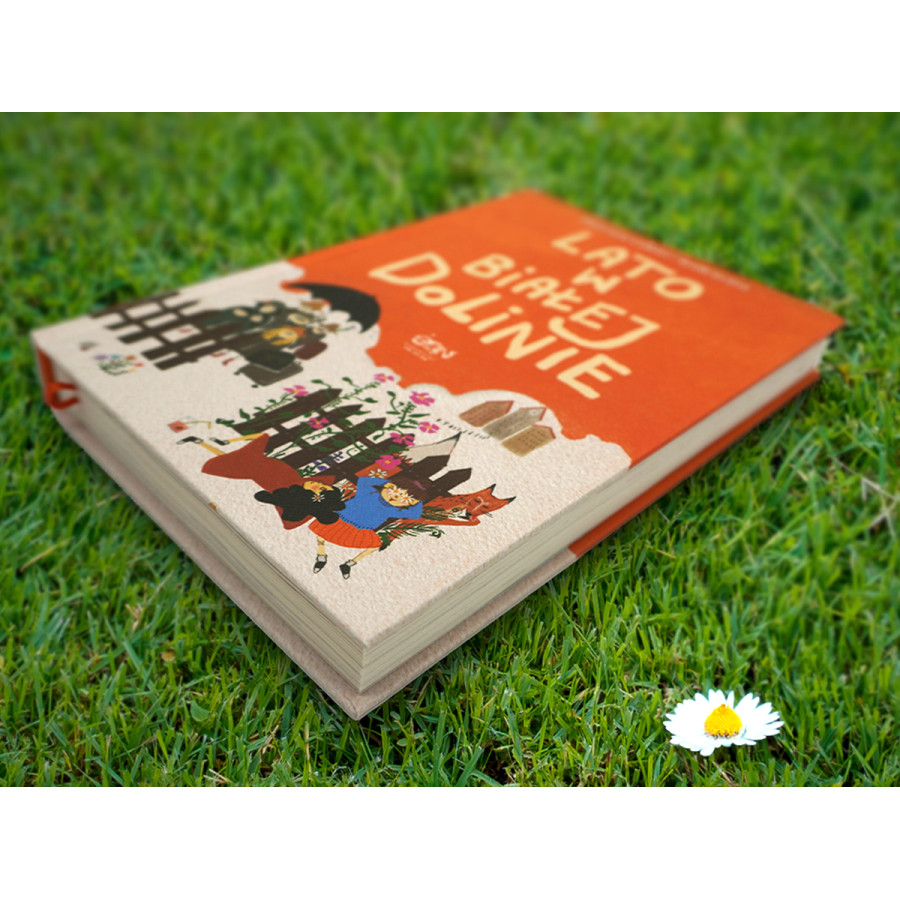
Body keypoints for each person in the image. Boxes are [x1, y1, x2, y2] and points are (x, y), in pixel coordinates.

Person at [309, 474, 430, 579]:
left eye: (402, 499)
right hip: (340, 519)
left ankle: (349, 564)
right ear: (388, 486)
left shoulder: (395, 509)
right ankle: (321, 556)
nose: (394, 497)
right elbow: (364, 480)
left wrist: (417, 495)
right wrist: (393, 484)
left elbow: (416, 513)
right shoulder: (368, 492)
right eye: (394, 492)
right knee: (321, 534)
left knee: (374, 546)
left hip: (360, 529)